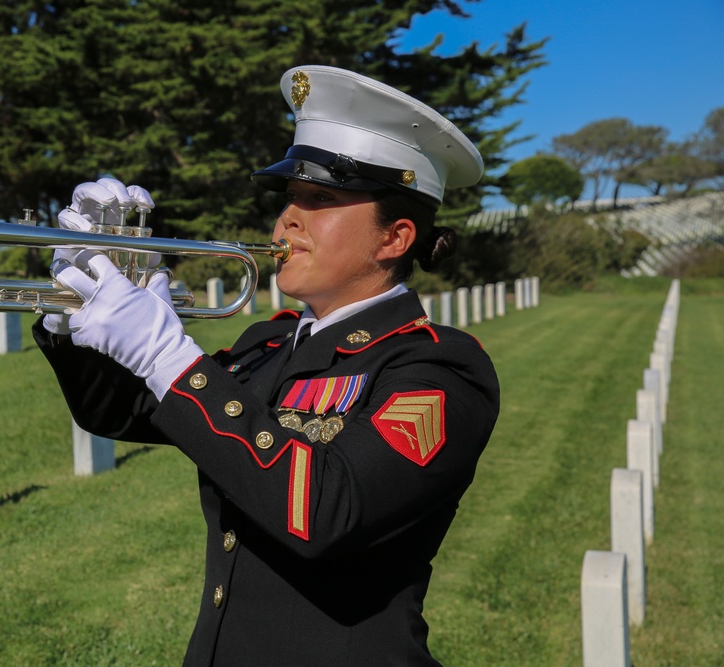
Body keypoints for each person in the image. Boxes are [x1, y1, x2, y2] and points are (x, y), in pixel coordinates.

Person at [33, 65, 500, 666]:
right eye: (291, 199)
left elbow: (326, 511)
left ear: (394, 238)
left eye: (322, 200)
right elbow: (122, 411)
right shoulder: (272, 342)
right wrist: (76, 317)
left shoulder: (438, 368)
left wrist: (165, 353)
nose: (288, 220)